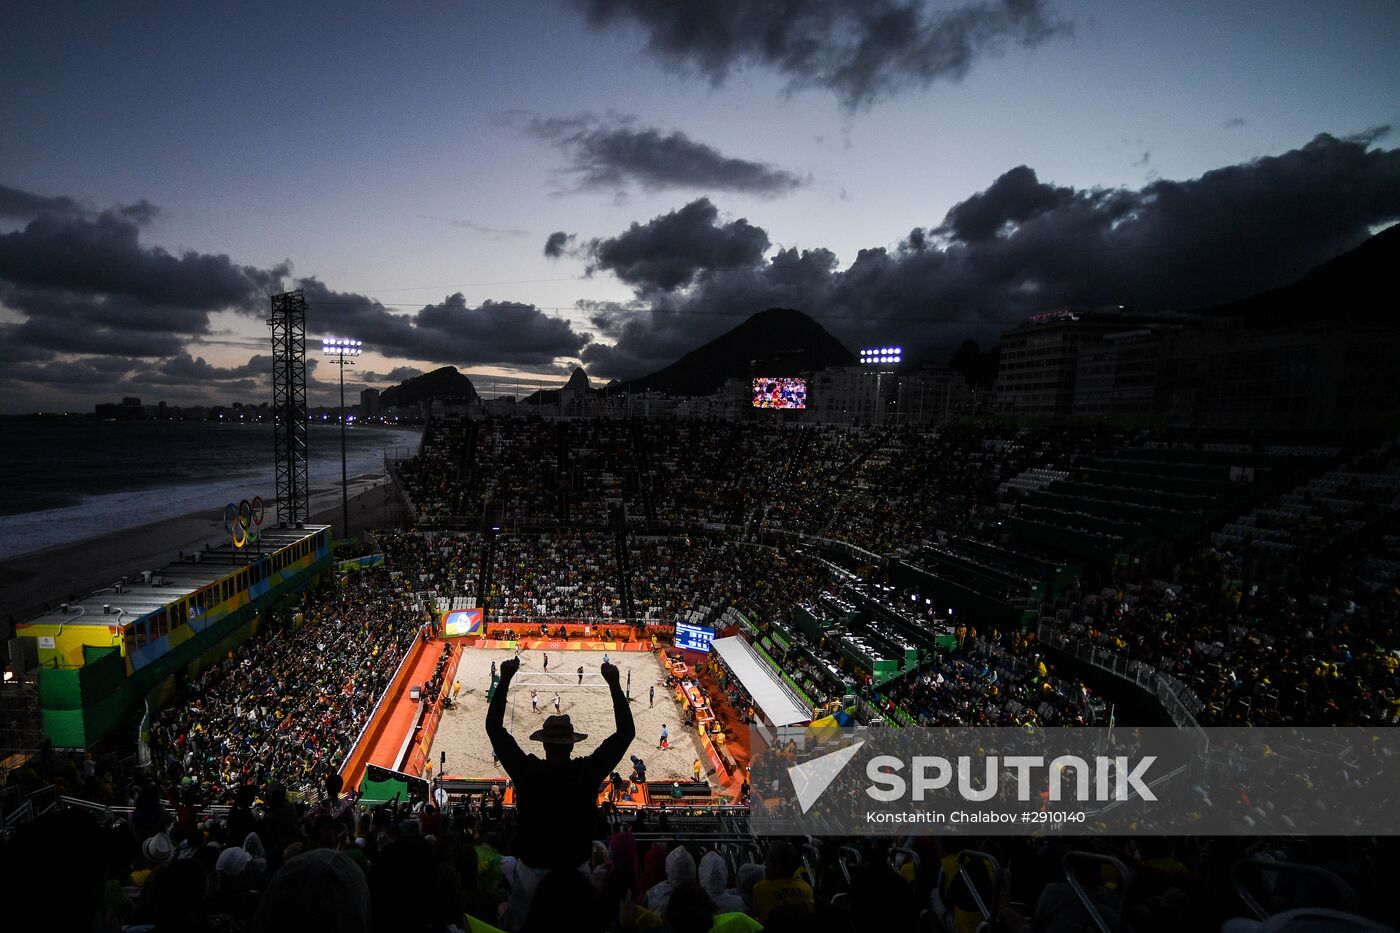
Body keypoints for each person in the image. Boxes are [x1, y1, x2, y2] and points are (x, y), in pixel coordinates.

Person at [486, 656, 635, 926]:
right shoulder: (585, 773)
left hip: (532, 872)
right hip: (576, 873)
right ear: (571, 744)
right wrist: (614, 684)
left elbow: (494, 729)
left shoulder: (528, 772)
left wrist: (505, 678)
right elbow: (625, 733)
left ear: (544, 744)